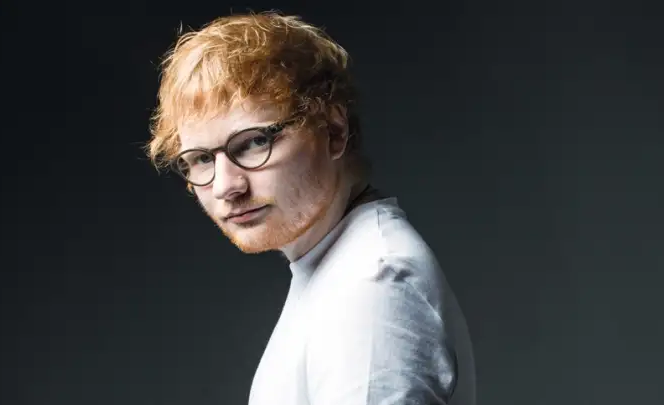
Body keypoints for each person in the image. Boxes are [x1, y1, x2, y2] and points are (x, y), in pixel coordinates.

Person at [146, 11, 476, 405]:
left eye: (254, 142)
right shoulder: (335, 269)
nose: (226, 186)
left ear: (333, 132)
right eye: (201, 158)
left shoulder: (372, 284)